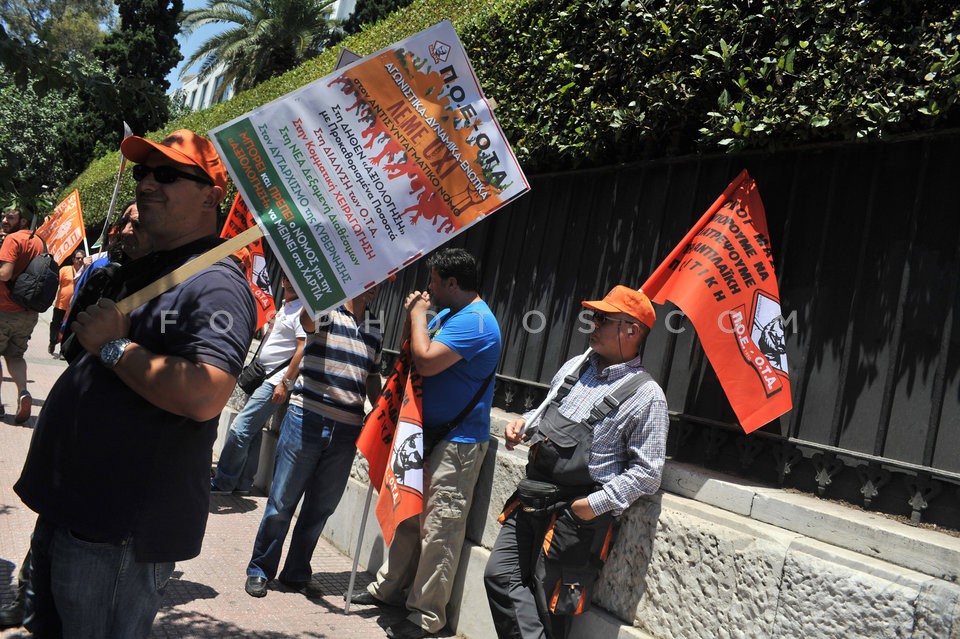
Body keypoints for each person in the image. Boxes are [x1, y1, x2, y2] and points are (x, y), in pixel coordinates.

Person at [13, 129, 257, 638]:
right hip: (76, 513)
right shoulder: (159, 270)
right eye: (144, 172)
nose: (146, 184)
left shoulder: (215, 283)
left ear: (211, 197)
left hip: (114, 531)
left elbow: (206, 394)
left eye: (166, 175)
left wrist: (114, 346)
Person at [483, 285, 669, 639]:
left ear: (632, 330)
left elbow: (648, 473)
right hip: (531, 497)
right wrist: (523, 424)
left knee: (548, 604)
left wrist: (591, 505)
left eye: (603, 319)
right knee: (500, 575)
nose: (592, 325)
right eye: (594, 316)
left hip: (575, 518)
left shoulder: (647, 396)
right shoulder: (576, 366)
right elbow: (544, 414)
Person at [353, 248, 501, 639]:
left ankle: (425, 615)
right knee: (407, 515)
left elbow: (427, 361)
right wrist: (412, 319)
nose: (428, 288)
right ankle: (390, 588)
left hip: (457, 444)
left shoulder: (478, 323)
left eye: (434, 281)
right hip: (422, 433)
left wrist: (419, 314)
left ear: (452, 283)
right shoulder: (448, 314)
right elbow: (409, 350)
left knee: (439, 528)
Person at [244, 286, 383, 597]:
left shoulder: (376, 323)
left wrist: (382, 408)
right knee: (282, 501)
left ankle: (296, 573)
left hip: (347, 430)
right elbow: (307, 322)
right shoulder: (327, 310)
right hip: (305, 418)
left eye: (380, 283)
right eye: (371, 281)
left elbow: (373, 375)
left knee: (320, 508)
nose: (375, 287)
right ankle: (260, 569)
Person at [211, 274, 306, 495]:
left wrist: (285, 384)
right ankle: (243, 483)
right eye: (288, 279)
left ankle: (224, 481)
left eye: (296, 280)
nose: (291, 283)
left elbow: (302, 349)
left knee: (239, 429)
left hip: (274, 381)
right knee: (252, 432)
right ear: (282, 282)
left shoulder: (302, 310)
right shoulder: (283, 307)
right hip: (261, 375)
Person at [0, 204, 45, 423]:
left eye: (10, 217)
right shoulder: (40, 242)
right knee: (15, 356)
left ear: (23, 221)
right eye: (4, 216)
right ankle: (23, 392)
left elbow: (5, 274)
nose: (4, 221)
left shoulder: (13, 239)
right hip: (29, 312)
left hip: (4, 309)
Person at [49, 249, 83, 358]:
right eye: (78, 258)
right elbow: (55, 283)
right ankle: (52, 341)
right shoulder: (64, 269)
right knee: (55, 326)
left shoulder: (85, 271)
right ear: (73, 259)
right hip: (61, 305)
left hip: (73, 307)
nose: (80, 260)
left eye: (82, 258)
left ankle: (62, 351)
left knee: (67, 329)